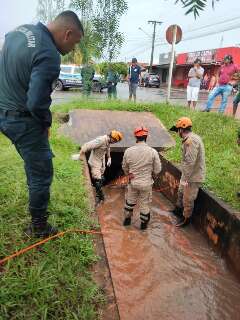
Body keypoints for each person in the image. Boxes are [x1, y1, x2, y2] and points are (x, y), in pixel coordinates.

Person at [0, 11, 84, 238]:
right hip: (22, 120)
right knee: (41, 171)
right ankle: (39, 227)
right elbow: (36, 103)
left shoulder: (17, 32)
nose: (73, 49)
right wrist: (46, 123)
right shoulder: (49, 53)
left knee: (32, 161)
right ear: (67, 33)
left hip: (3, 114)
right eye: (75, 42)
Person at [122, 127, 162, 230]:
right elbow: (158, 169)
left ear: (136, 137)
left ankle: (127, 222)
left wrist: (129, 174)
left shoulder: (128, 151)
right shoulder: (153, 152)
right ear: (146, 137)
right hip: (146, 184)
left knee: (130, 202)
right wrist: (152, 174)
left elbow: (124, 167)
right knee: (144, 204)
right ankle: (143, 227)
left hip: (133, 182)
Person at [170, 117, 206, 228]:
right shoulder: (190, 139)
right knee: (181, 192)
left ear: (181, 129)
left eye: (177, 130)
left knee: (188, 199)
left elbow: (190, 162)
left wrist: (185, 179)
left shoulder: (191, 141)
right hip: (187, 174)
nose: (177, 133)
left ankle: (186, 219)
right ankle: (177, 211)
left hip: (192, 177)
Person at [79, 130, 123, 203]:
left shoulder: (108, 141)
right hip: (95, 162)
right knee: (98, 180)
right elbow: (88, 145)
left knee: (102, 179)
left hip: (101, 162)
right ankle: (101, 197)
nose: (114, 142)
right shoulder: (101, 140)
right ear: (111, 137)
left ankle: (98, 194)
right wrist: (80, 154)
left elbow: (108, 148)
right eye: (115, 141)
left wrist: (109, 158)